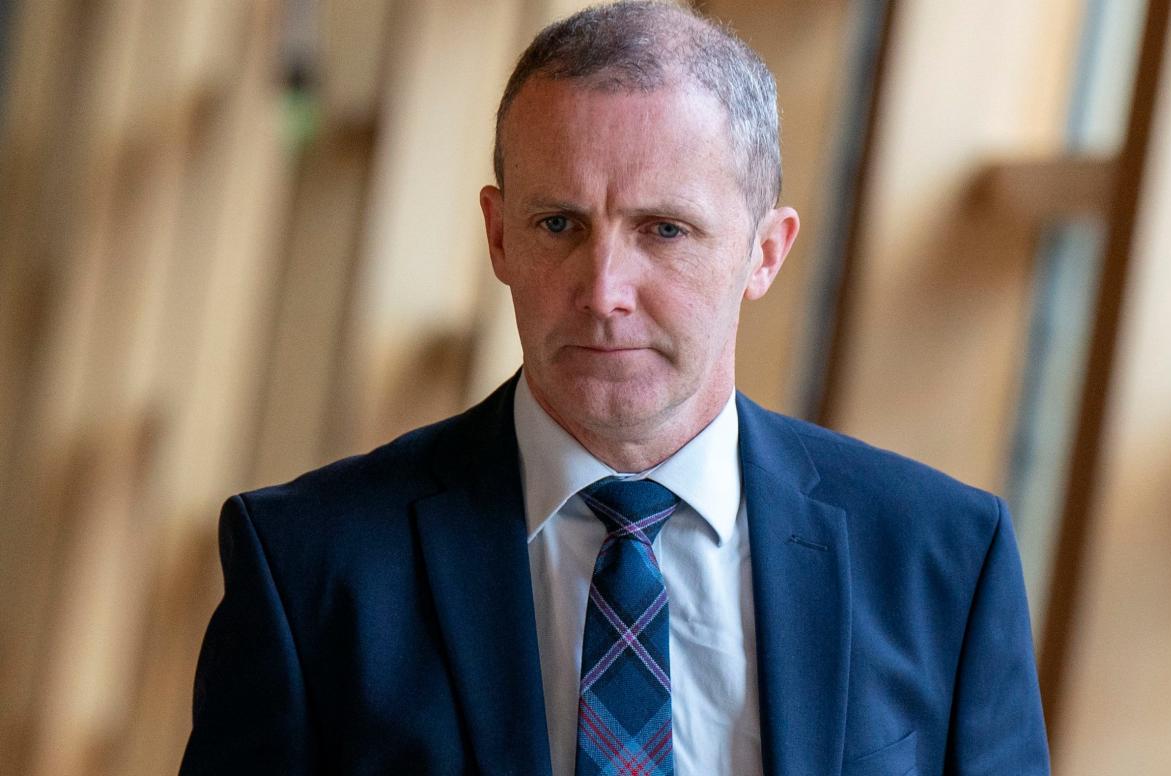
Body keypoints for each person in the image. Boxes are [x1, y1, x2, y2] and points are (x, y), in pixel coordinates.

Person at [181, 2, 1051, 774]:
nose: (603, 292)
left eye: (663, 230)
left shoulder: (941, 559)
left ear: (766, 251)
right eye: (558, 224)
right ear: (497, 237)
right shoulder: (309, 565)